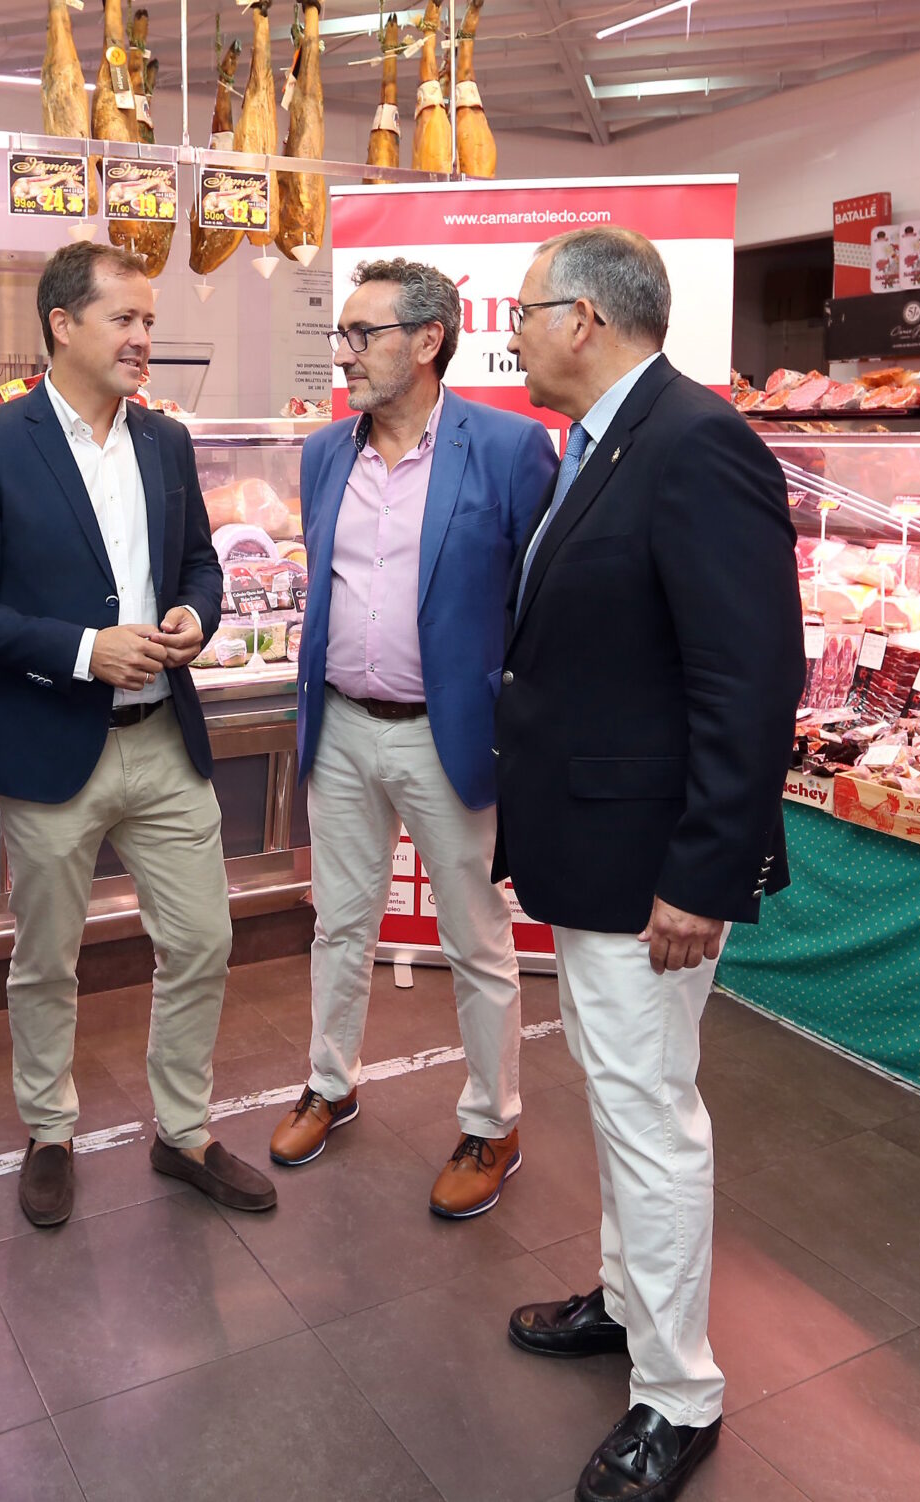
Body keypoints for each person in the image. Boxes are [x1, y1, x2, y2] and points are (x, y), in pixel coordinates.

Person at [492, 226, 803, 1502]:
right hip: (595, 843)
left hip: (652, 867)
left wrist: (701, 873)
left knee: (652, 1117)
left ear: (583, 318)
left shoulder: (695, 440)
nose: (507, 331)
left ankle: (679, 1391)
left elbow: (751, 678)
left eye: (520, 311)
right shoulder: (603, 440)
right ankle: (628, 1303)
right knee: (621, 1097)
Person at [0, 240, 276, 1227]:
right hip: (50, 741)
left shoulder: (163, 441)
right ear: (61, 325)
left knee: (203, 936)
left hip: (163, 734)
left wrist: (196, 617)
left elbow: (201, 563)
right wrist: (82, 649)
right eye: (124, 319)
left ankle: (185, 1130)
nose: (142, 339)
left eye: (150, 323)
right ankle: (47, 1127)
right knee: (47, 954)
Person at [267, 258, 556, 1218]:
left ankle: (492, 1122)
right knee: (339, 923)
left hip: (451, 734)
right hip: (342, 726)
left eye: (363, 334)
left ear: (428, 340)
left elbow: (538, 603)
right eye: (341, 334)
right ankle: (330, 1082)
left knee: (475, 940)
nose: (342, 352)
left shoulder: (512, 450)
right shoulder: (322, 455)